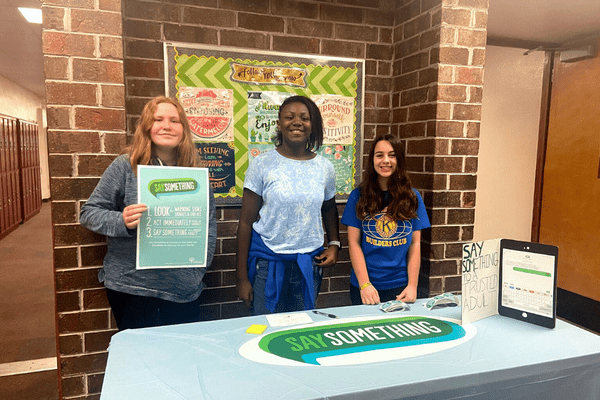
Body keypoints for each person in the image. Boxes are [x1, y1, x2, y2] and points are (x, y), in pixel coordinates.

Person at [80, 96, 217, 330]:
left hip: (182, 289)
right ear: (146, 127)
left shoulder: (196, 174)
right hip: (132, 287)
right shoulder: (126, 165)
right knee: (140, 360)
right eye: (158, 119)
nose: (167, 126)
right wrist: (121, 220)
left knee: (179, 357)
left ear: (183, 129)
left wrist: (198, 270)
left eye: (175, 120)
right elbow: (89, 213)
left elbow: (209, 227)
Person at [236, 95, 340, 315]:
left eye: (305, 118)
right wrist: (242, 278)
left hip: (309, 264)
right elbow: (245, 223)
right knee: (265, 328)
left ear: (313, 126)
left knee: (301, 328)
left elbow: (329, 208)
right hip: (267, 262)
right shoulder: (262, 164)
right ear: (279, 124)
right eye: (289, 117)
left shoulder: (324, 167)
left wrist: (334, 244)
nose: (297, 122)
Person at [341, 134, 430, 306]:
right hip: (366, 286)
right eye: (379, 155)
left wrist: (413, 285)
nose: (385, 160)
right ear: (372, 160)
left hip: (401, 287)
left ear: (399, 160)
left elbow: (415, 244)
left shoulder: (412, 197)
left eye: (392, 155)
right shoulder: (357, 196)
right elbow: (353, 243)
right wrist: (365, 284)